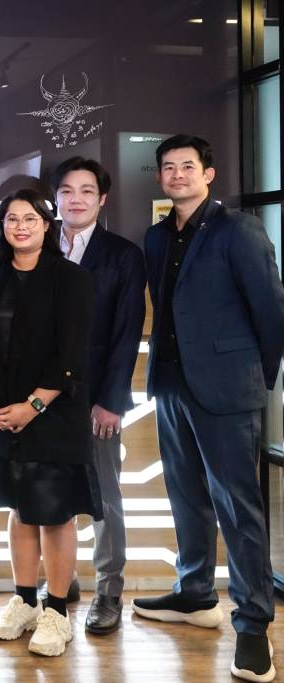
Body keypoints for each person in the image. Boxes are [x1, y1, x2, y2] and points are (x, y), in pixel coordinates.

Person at [131, 135, 284, 683]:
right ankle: (195, 593)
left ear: (208, 173)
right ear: (160, 176)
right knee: (186, 496)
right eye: (168, 167)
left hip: (228, 390)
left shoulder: (238, 230)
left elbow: (271, 311)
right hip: (172, 385)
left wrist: (256, 380)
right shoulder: (156, 236)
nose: (177, 175)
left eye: (187, 166)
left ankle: (253, 624)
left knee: (239, 509)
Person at [0, 189, 97, 657]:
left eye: (30, 218)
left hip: (54, 414)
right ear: (1, 226)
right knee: (19, 507)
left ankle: (57, 611)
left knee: (55, 512)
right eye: (11, 219)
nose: (20, 226)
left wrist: (34, 406)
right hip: (3, 414)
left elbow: (72, 354)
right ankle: (24, 601)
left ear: (47, 224)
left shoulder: (71, 278)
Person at [50, 157, 145, 634]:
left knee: (103, 495)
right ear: (55, 198)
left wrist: (112, 400)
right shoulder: (37, 244)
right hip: (42, 397)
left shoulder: (123, 255)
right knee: (51, 491)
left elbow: (127, 333)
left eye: (86, 191)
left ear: (102, 199)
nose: (76, 200)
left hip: (95, 398)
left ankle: (109, 589)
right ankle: (61, 580)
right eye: (67, 191)